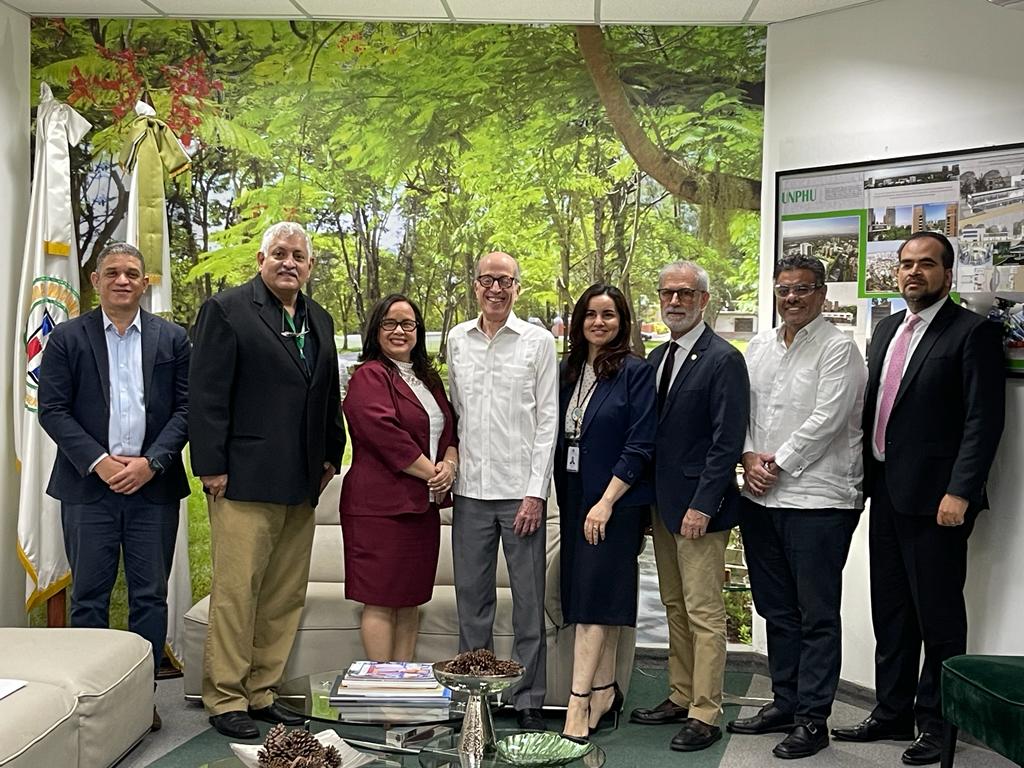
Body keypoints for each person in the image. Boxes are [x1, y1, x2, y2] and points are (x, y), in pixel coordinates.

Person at [831, 231, 1005, 766]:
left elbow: (983, 421)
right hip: (885, 491)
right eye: (906, 263)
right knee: (892, 611)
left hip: (938, 502)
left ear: (947, 275)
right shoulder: (887, 329)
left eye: (926, 264)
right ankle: (891, 711)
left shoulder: (972, 332)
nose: (913, 272)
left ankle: (937, 725)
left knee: (939, 619)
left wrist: (960, 491)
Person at [189, 221, 345, 740]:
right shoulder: (227, 310)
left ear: (310, 266)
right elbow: (206, 394)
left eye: (298, 256)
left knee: (283, 595)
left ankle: (262, 691)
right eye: (279, 253)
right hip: (244, 479)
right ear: (261, 260)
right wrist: (211, 465)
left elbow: (326, 392)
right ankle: (226, 697)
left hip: (301, 481)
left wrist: (331, 454)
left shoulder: (318, 318)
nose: (288, 263)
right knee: (238, 593)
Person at [38, 241, 190, 733]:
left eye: (131, 273)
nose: (122, 280)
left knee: (150, 597)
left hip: (153, 489)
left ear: (144, 282)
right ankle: (91, 704)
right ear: (96, 281)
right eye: (112, 273)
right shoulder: (66, 338)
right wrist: (100, 463)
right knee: (89, 597)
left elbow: (187, 409)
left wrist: (152, 463)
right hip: (89, 490)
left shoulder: (173, 339)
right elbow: (52, 410)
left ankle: (140, 701)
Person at [727, 253, 867, 760]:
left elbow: (828, 419)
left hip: (819, 500)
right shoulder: (760, 346)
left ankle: (813, 719)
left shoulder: (839, 348)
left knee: (816, 614)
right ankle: (785, 702)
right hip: (761, 497)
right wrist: (748, 456)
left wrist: (776, 463)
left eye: (802, 289)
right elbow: (743, 410)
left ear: (821, 294)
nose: (792, 298)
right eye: (784, 289)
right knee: (776, 608)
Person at [629, 261, 749, 752]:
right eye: (667, 293)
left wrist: (704, 505)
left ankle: (705, 711)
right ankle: (680, 695)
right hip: (662, 506)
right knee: (674, 605)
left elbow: (727, 442)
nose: (674, 301)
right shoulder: (659, 357)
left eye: (685, 293)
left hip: (700, 510)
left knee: (703, 611)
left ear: (704, 300)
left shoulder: (724, 359)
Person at [447, 251, 558, 731]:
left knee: (528, 605)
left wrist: (536, 493)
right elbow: (455, 414)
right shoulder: (457, 339)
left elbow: (548, 422)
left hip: (520, 495)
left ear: (517, 287)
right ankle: (477, 699)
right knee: (472, 605)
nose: (496, 288)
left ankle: (529, 699)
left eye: (505, 280)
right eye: (487, 280)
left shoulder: (538, 342)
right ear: (475, 285)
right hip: (470, 493)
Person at [553, 284, 656, 742]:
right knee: (596, 596)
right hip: (575, 497)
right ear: (579, 322)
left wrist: (607, 501)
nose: (599, 322)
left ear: (622, 321)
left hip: (614, 503)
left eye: (608, 314)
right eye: (591, 314)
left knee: (594, 601)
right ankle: (604, 690)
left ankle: (577, 703)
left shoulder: (636, 372)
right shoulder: (569, 371)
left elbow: (641, 444)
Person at [340, 294, 458, 662]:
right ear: (376, 330)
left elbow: (450, 429)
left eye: (408, 324)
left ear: (418, 331)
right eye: (389, 323)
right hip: (379, 510)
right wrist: (434, 473)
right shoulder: (369, 376)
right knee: (380, 600)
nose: (399, 331)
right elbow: (385, 434)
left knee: (410, 600)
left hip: (421, 509)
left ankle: (403, 685)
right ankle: (381, 689)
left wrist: (450, 463)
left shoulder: (427, 379)